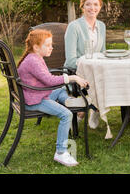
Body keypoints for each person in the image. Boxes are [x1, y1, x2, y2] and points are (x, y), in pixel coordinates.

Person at [17, 29, 89, 166]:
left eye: (51, 44)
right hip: (34, 100)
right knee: (66, 114)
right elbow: (49, 81)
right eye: (48, 45)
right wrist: (73, 77)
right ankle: (61, 153)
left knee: (60, 89)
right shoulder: (33, 61)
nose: (52, 47)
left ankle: (68, 101)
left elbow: (46, 80)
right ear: (36, 47)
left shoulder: (34, 57)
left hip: (34, 94)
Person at [64, 0, 106, 127]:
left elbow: (103, 53)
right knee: (102, 80)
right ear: (82, 7)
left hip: (97, 70)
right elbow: (70, 60)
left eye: (95, 4)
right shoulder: (74, 27)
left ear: (100, 7)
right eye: (88, 4)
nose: (92, 8)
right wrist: (90, 65)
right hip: (77, 72)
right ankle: (91, 109)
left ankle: (94, 108)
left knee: (114, 75)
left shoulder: (102, 26)